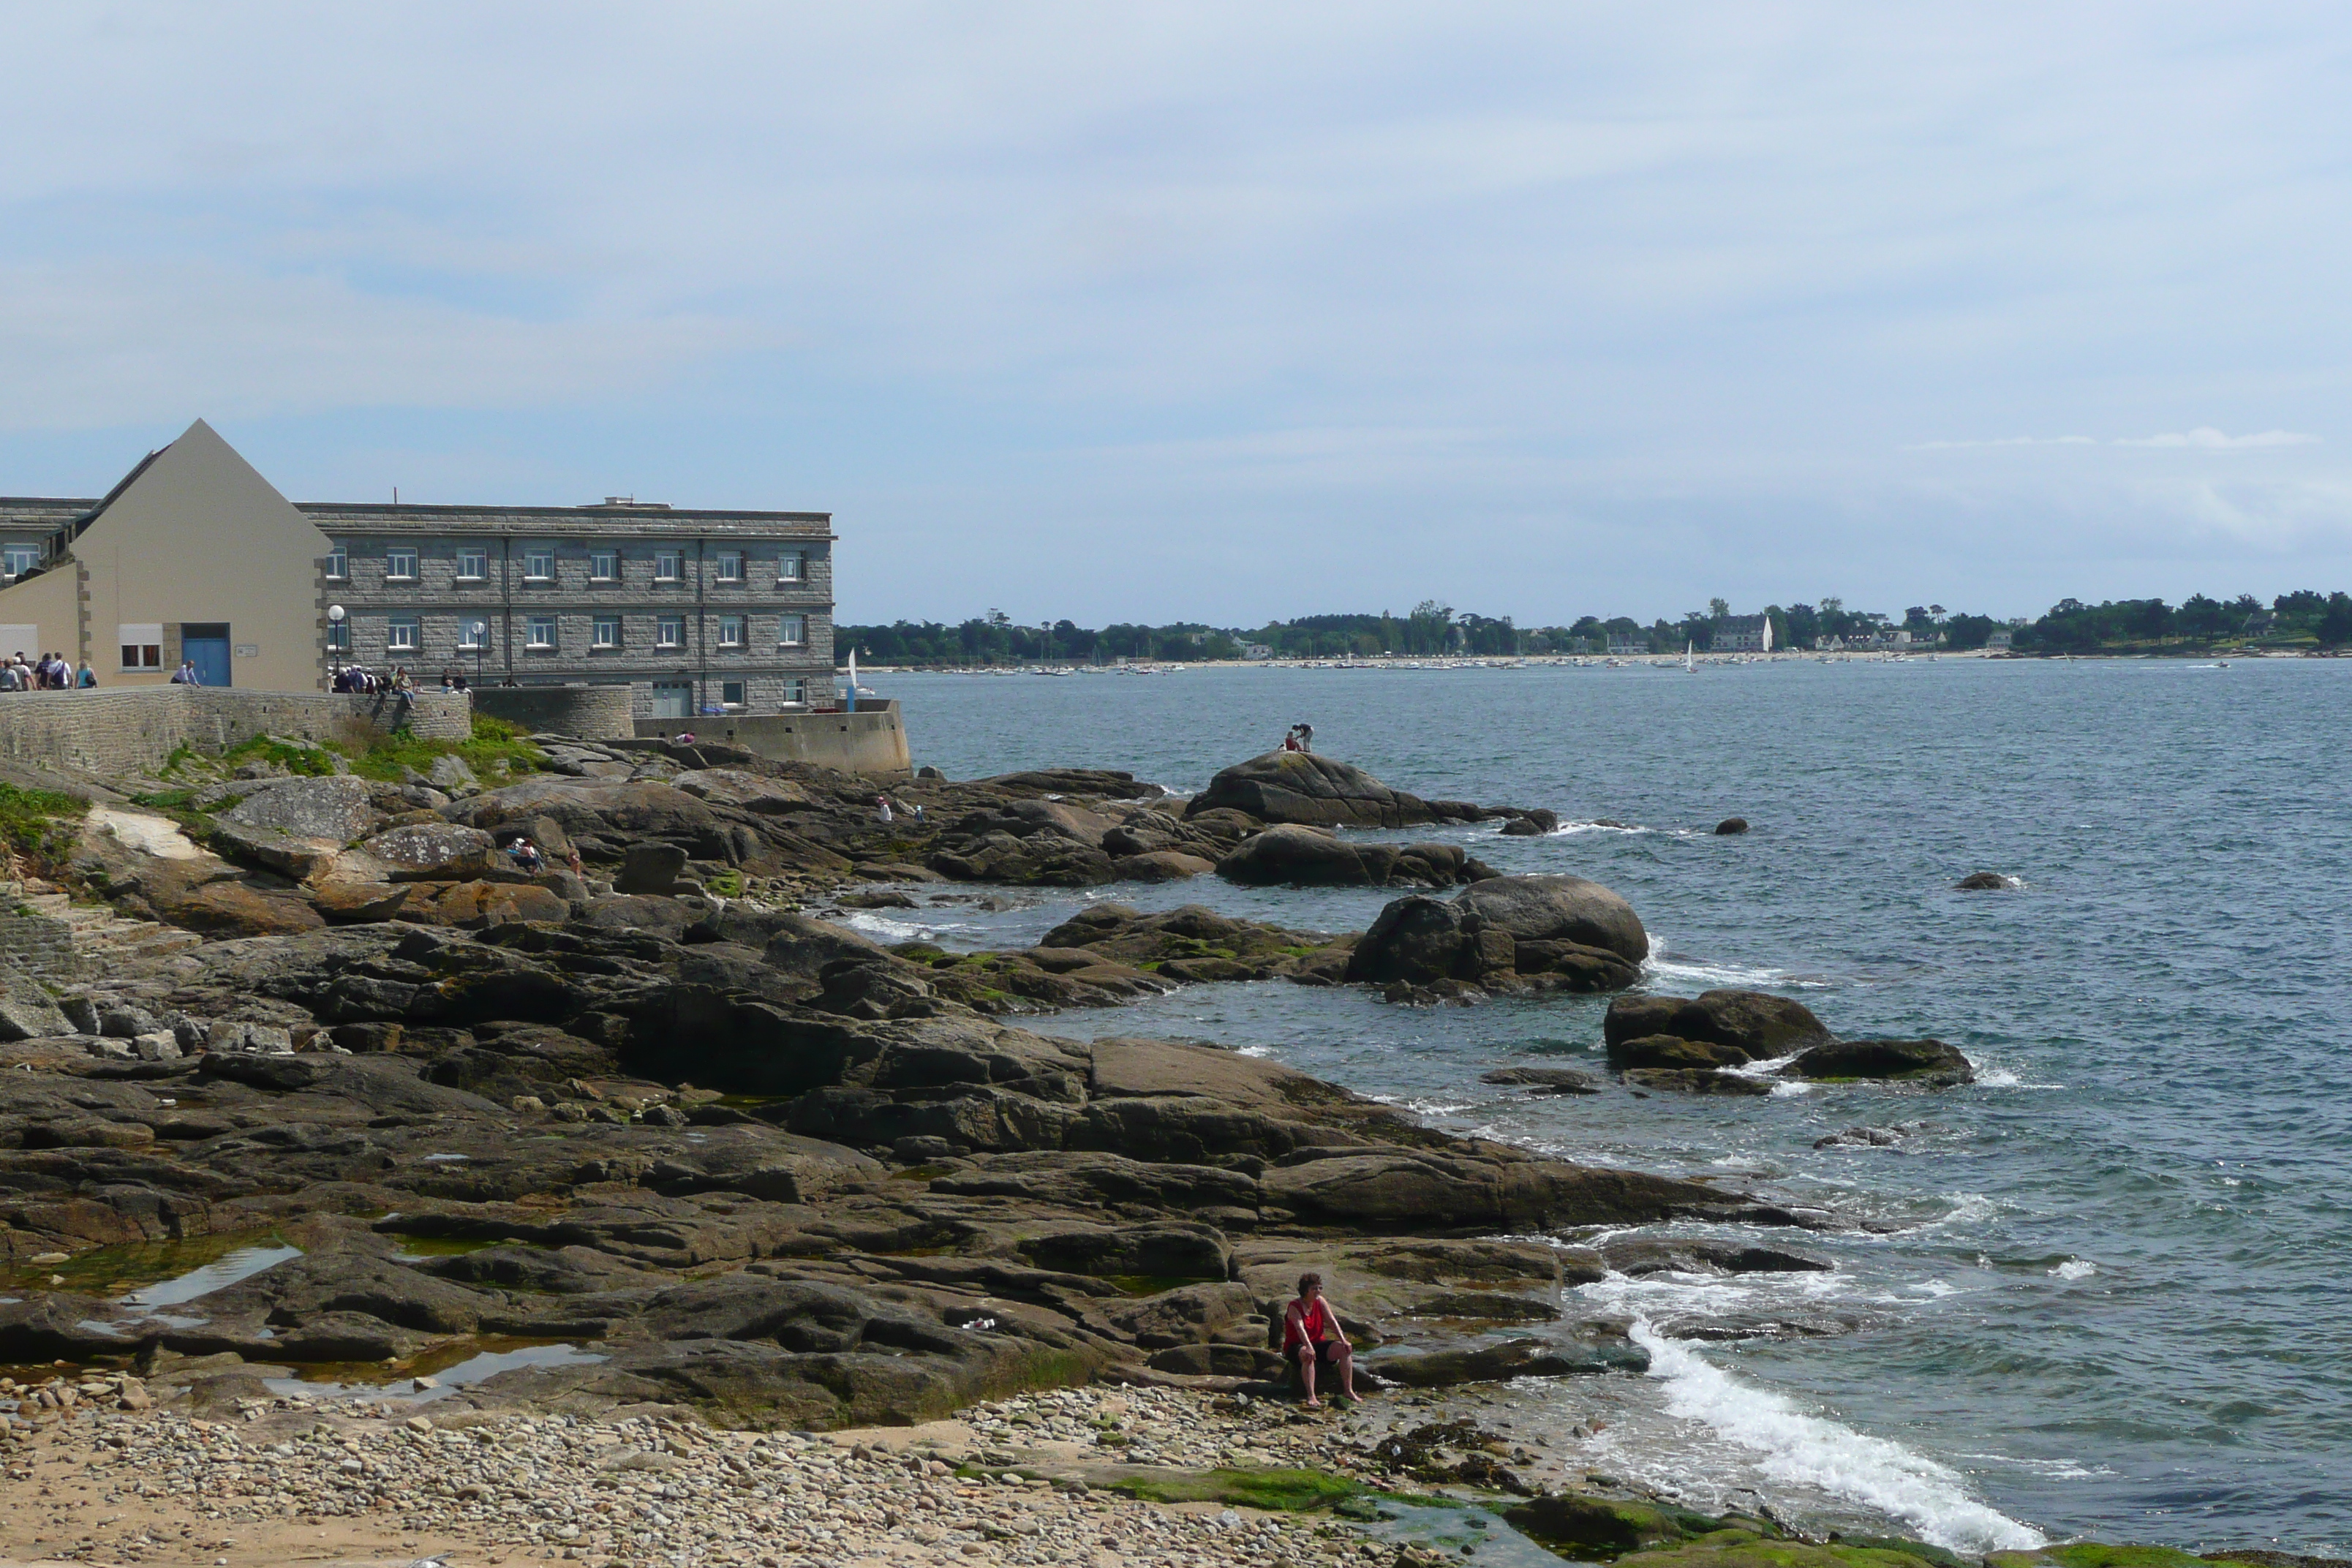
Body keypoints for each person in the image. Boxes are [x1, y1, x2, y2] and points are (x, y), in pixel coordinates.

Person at [1281, 1271, 1356, 1407]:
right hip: (1296, 1345)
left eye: (1319, 1288)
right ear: (1305, 1290)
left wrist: (1344, 1340)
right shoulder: (1294, 1306)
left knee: (1344, 1349)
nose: (1318, 1291)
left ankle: (1348, 1391)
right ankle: (1311, 1396)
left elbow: (1332, 1322)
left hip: (1318, 1342)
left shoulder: (1320, 1302)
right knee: (1307, 1355)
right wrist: (1309, 1347)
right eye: (1314, 1288)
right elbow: (1300, 1328)